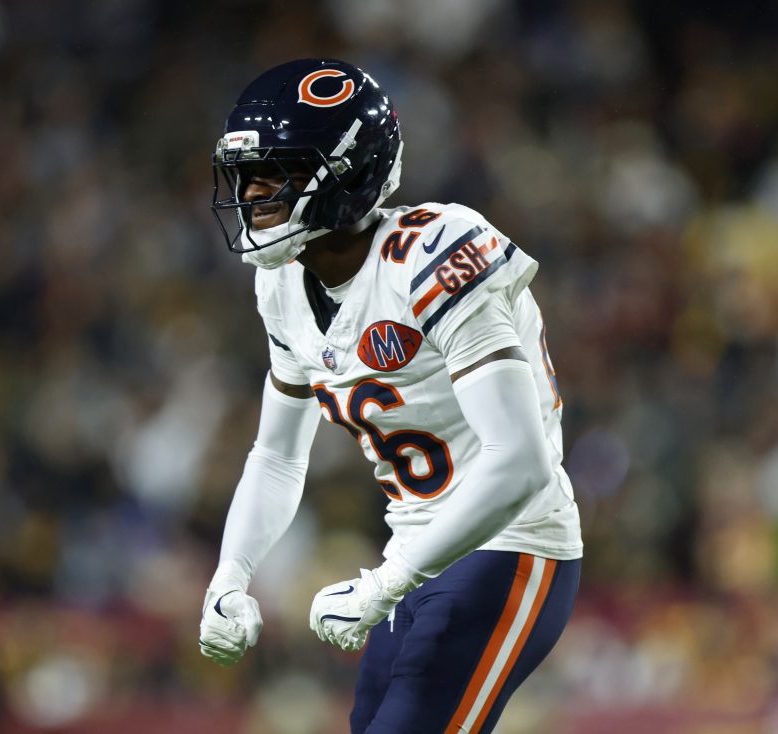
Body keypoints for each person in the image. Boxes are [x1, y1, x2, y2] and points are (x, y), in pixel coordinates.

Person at [198, 58, 583, 734]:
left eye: (278, 171)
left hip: (512, 544)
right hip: (417, 554)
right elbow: (277, 454)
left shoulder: (431, 252)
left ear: (347, 171)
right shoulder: (282, 284)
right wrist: (230, 575)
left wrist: (388, 580)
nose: (254, 192)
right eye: (246, 174)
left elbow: (521, 460)